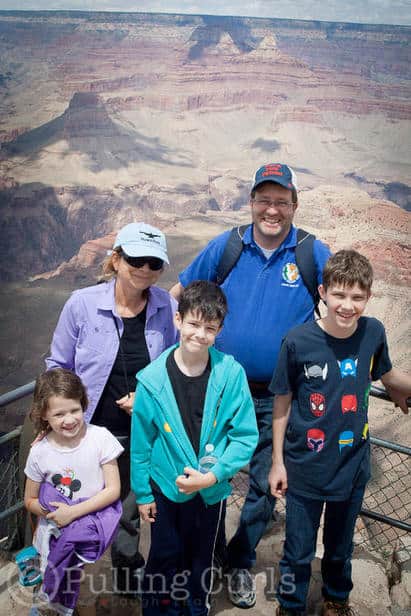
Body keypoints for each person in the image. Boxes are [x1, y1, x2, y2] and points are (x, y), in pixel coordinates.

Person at [170, 163, 331, 607]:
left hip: (278, 396)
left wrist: (383, 371)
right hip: (217, 388)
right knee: (206, 473)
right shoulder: (228, 246)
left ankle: (239, 562)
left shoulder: (311, 253)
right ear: (252, 202)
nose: (272, 209)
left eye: (282, 201)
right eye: (264, 199)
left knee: (265, 483)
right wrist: (174, 358)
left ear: (295, 205)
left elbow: (344, 308)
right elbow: (178, 295)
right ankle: (205, 555)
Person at [268, 250, 411, 616]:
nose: (347, 306)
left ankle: (336, 599)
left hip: (352, 463)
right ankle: (290, 605)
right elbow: (282, 403)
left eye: (357, 297)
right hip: (304, 466)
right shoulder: (297, 341)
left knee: (339, 545)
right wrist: (277, 462)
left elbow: (388, 376)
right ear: (323, 292)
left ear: (368, 297)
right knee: (298, 548)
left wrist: (404, 388)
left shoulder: (373, 332)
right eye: (339, 295)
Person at [45, 222, 178, 594]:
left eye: (155, 263)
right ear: (116, 259)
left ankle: (124, 571)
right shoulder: (82, 304)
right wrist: (56, 418)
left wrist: (148, 399)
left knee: (129, 509)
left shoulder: (169, 307)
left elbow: (180, 368)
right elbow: (58, 365)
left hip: (143, 432)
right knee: (74, 503)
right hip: (89, 430)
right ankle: (59, 575)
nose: (146, 270)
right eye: (137, 259)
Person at [130, 280, 259, 616]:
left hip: (209, 491)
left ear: (219, 330)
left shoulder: (230, 375)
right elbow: (141, 443)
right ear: (178, 320)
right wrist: (143, 494)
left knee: (201, 556)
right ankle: (158, 609)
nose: (200, 335)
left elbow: (245, 436)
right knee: (164, 552)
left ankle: (194, 607)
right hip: (164, 488)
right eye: (193, 324)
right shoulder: (152, 381)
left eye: (210, 328)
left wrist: (212, 476)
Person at [24, 368, 123, 616]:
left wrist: (73, 513)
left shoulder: (101, 438)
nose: (69, 420)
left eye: (74, 410)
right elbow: (29, 500)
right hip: (54, 537)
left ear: (83, 405)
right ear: (44, 414)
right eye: (59, 414)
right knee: (53, 587)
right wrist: (55, 514)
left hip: (92, 539)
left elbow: (113, 490)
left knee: (87, 593)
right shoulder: (39, 452)